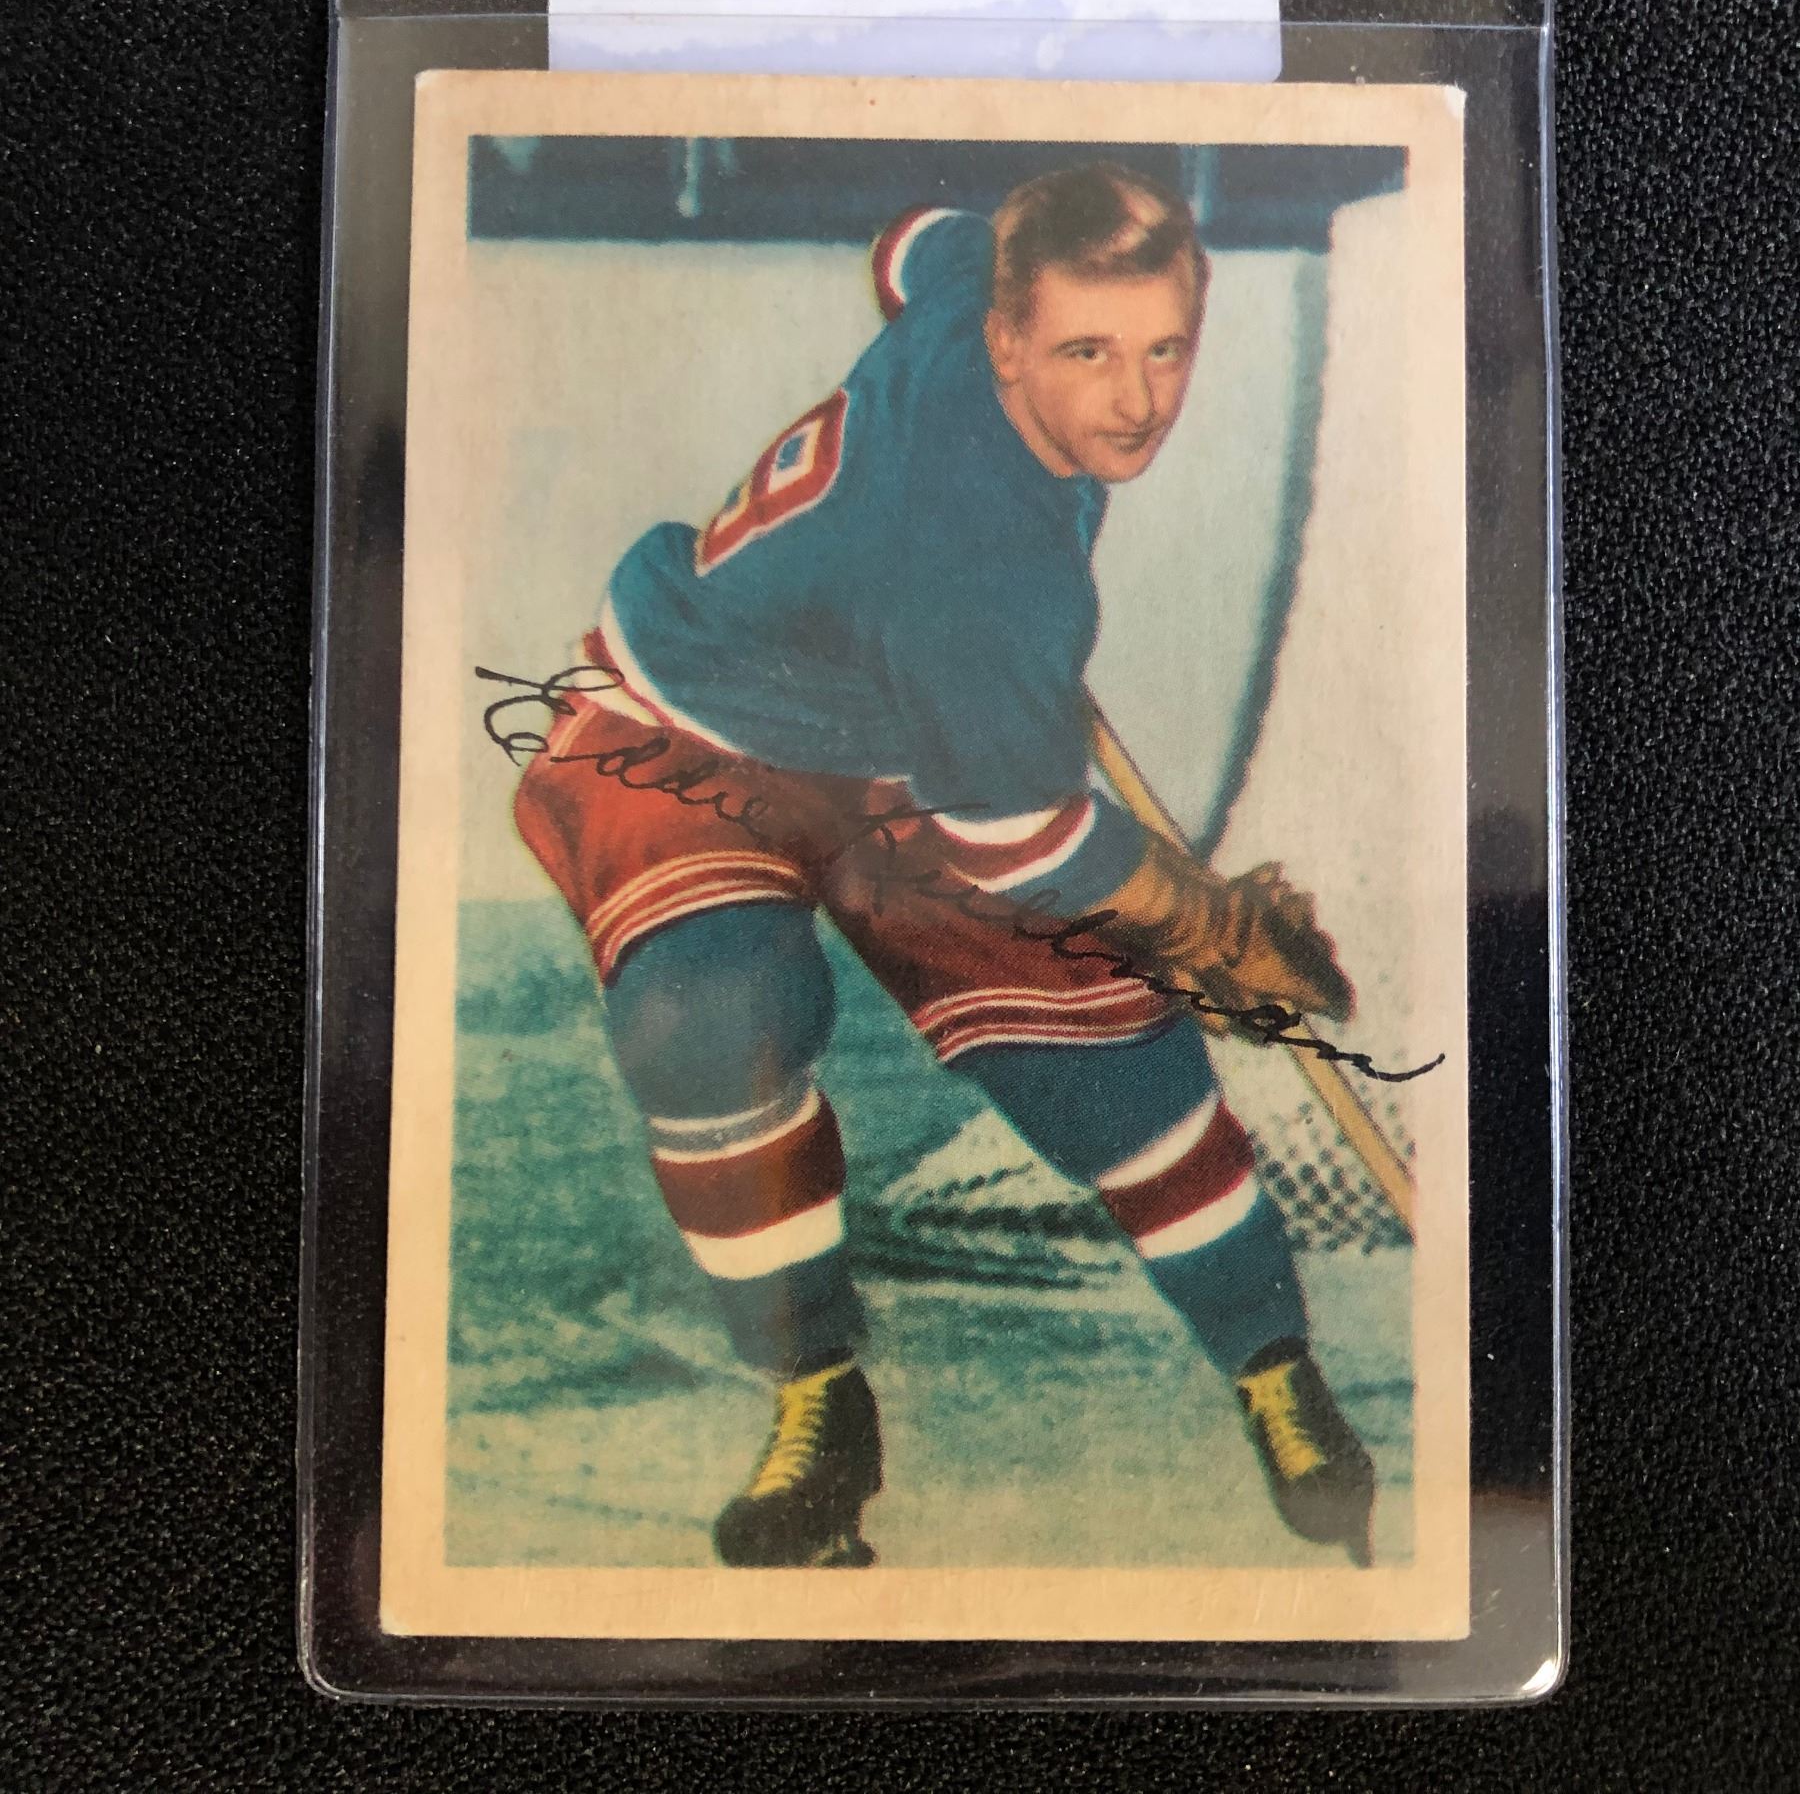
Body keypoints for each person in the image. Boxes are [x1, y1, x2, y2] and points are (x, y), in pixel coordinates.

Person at [514, 162, 1376, 1570]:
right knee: (708, 1014)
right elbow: (1020, 836)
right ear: (1007, 339)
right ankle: (819, 1402)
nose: (1136, 399)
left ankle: (1275, 1367)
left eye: (1165, 349)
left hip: (908, 732)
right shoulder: (983, 571)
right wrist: (1205, 920)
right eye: (1087, 353)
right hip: (689, 721)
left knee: (1109, 1058)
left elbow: (909, 242)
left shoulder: (977, 277)